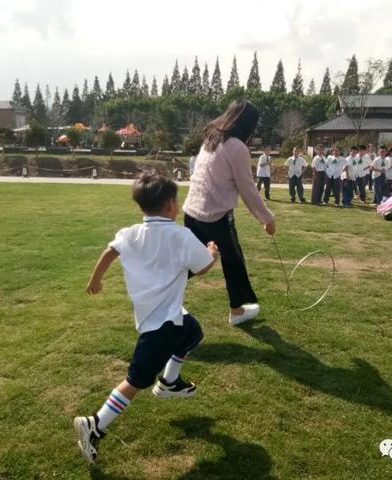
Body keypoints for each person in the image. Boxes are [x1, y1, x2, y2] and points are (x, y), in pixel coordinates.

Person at [75, 172, 219, 464]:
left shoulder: (130, 233)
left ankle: (169, 382)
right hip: (159, 325)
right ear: (169, 205)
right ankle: (95, 425)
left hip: (163, 315)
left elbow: (109, 252)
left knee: (192, 332)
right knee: (136, 380)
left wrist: (96, 280)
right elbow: (202, 268)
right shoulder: (181, 235)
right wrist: (212, 253)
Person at [183, 100, 276, 326]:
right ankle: (236, 310)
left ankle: (160, 293)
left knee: (190, 261)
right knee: (233, 262)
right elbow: (247, 187)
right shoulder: (236, 147)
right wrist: (267, 218)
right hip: (216, 215)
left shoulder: (211, 139)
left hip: (193, 211)